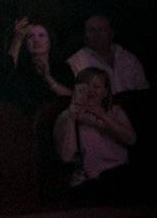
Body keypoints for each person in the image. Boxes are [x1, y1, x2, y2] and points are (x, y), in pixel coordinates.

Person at [54, 67, 136, 205]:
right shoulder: (67, 117)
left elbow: (131, 140)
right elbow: (67, 157)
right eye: (85, 87)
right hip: (92, 182)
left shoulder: (115, 112)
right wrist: (72, 117)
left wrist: (102, 116)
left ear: (105, 92)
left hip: (122, 174)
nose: (90, 91)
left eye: (96, 87)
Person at [66, 14, 148, 94]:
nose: (97, 35)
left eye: (102, 30)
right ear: (85, 35)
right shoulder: (75, 63)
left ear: (111, 33)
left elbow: (143, 88)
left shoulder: (129, 58)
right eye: (91, 31)